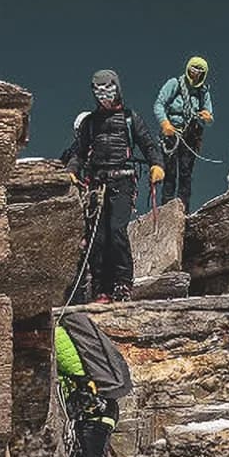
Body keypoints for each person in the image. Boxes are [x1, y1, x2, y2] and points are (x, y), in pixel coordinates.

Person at [59, 69, 165, 300]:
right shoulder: (89, 123)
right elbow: (78, 152)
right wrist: (71, 171)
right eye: (99, 92)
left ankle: (123, 284)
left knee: (117, 231)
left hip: (123, 180)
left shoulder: (130, 118)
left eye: (108, 90)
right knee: (98, 237)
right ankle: (101, 288)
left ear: (117, 89)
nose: (104, 96)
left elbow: (148, 144)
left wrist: (157, 164)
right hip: (97, 184)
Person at [54, 319, 130, 457]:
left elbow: (73, 367)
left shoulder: (57, 335)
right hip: (94, 411)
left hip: (95, 412)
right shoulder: (61, 333)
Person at [151, 55, 213, 209]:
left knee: (186, 175)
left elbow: (209, 113)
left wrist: (207, 117)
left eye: (200, 71)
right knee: (170, 174)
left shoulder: (203, 91)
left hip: (191, 136)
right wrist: (165, 123)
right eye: (193, 69)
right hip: (172, 135)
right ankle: (166, 209)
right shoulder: (175, 84)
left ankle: (184, 211)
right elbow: (159, 104)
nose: (196, 73)